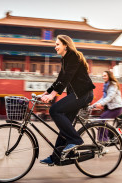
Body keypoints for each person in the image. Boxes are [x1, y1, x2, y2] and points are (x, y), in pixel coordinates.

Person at [40, 35, 95, 165]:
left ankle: (75, 140)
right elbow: (59, 79)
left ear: (65, 45)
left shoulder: (73, 56)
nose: (55, 47)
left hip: (83, 94)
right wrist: (45, 93)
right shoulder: (65, 59)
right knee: (65, 127)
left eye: (57, 44)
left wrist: (53, 95)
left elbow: (67, 78)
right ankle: (56, 157)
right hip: (77, 95)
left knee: (54, 110)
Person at [91, 70, 122, 141]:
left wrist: (101, 104)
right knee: (101, 121)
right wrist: (92, 106)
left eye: (105, 75)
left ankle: (103, 141)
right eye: (103, 76)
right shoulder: (106, 85)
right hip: (111, 108)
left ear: (109, 76)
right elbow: (103, 98)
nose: (103, 77)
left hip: (117, 108)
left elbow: (110, 96)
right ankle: (111, 135)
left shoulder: (113, 84)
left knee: (102, 119)